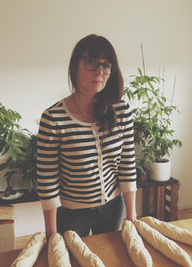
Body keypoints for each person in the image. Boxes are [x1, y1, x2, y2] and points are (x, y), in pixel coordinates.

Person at [37, 34, 137, 238]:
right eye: (91, 62)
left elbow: (127, 165)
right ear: (75, 65)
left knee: (111, 261)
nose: (100, 71)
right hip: (71, 214)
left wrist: (132, 215)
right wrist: (51, 233)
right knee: (72, 265)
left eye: (106, 65)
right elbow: (47, 181)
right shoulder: (53, 118)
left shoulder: (121, 110)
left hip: (113, 207)